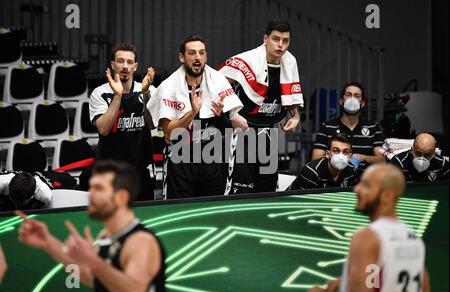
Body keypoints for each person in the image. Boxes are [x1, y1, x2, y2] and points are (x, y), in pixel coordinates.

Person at [17, 160, 166, 292]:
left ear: (121, 197)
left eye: (99, 189)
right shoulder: (106, 236)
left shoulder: (140, 240)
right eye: (92, 187)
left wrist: (93, 261)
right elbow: (94, 279)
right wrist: (48, 242)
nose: (91, 194)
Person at [306, 163, 430, 292]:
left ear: (387, 196)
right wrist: (348, 281)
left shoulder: (367, 237)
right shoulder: (413, 238)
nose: (357, 189)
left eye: (366, 185)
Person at [147, 35, 243, 199]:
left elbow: (231, 131)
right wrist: (192, 112)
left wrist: (220, 116)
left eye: (201, 53)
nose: (197, 57)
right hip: (180, 161)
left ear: (206, 56)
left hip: (212, 161)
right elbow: (169, 133)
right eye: (192, 53)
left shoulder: (218, 81)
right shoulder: (169, 86)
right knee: (180, 215)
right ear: (182, 57)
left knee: (211, 213)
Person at [218, 19, 303, 194]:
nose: (280, 45)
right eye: (276, 39)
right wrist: (233, 113)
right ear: (265, 38)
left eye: (285, 40)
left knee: (268, 189)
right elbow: (216, 82)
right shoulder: (246, 60)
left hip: (269, 132)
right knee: (241, 189)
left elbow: (292, 98)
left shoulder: (290, 61)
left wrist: (295, 117)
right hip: (244, 132)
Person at [89, 43, 156, 201]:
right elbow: (103, 129)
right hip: (110, 172)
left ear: (135, 66)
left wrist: (146, 94)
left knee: (144, 219)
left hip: (141, 170)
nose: (125, 66)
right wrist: (118, 96)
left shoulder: (148, 90)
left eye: (129, 62)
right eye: (120, 61)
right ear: (113, 65)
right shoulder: (100, 93)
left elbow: (152, 124)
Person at [312, 82, 385, 171]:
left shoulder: (373, 127)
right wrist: (339, 158)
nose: (352, 99)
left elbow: (382, 160)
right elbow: (315, 158)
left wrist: (362, 157)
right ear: (341, 100)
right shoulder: (327, 127)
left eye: (357, 96)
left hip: (364, 181)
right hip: (335, 180)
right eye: (348, 95)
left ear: (362, 103)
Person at [290, 134, 358, 190]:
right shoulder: (312, 172)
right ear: (328, 154)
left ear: (350, 156)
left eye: (345, 152)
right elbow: (305, 202)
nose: (341, 155)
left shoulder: (352, 171)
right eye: (336, 151)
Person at [0, 170, 76, 211]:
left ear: (33, 195)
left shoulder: (45, 196)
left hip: (47, 178)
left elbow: (45, 219)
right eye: (14, 200)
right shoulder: (2, 183)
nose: (17, 206)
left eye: (20, 203)